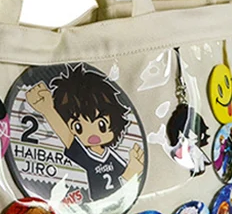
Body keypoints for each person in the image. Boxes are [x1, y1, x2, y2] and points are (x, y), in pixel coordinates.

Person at [25, 64, 144, 200]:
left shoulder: (111, 155)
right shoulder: (87, 157)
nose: (92, 134)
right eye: (78, 127)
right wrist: (48, 110)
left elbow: (121, 192)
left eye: (101, 125)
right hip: (97, 206)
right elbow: (67, 137)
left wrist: (133, 169)